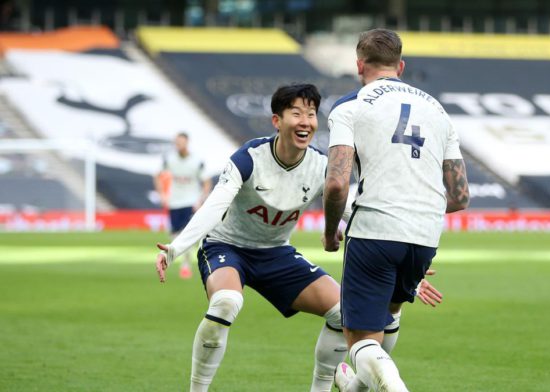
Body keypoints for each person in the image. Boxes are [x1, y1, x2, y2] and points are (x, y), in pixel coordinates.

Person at [154, 84, 442, 392]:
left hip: (275, 253)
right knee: (226, 301)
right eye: (296, 113)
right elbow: (214, 206)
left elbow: (353, 214)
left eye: (311, 114)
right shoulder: (249, 157)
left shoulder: (320, 166)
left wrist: (400, 262)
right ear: (277, 120)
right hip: (226, 247)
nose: (306, 121)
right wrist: (175, 249)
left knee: (343, 312)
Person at [322, 28, 470, 392]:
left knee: (358, 339)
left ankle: (395, 386)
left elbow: (338, 182)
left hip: (375, 229)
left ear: (359, 65)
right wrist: (419, 215)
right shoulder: (437, 110)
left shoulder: (350, 105)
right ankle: (355, 387)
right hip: (424, 235)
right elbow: (461, 195)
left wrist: (329, 233)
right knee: (386, 316)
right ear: (400, 65)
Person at [153, 132, 211, 279]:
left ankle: (185, 265)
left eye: (181, 142)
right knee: (173, 234)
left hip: (190, 202)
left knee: (186, 233)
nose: (178, 145)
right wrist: (162, 194)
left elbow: (206, 181)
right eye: (176, 142)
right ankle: (179, 258)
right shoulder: (169, 159)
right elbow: (157, 175)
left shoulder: (196, 161)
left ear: (187, 142)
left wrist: (200, 200)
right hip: (174, 201)